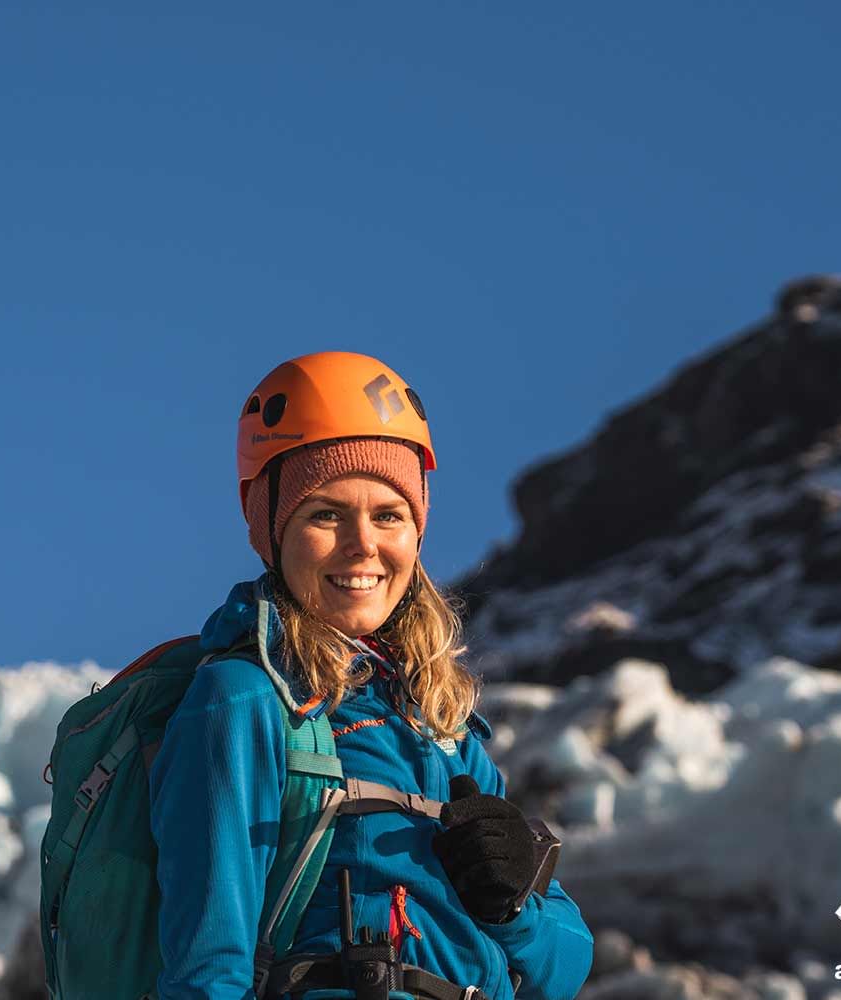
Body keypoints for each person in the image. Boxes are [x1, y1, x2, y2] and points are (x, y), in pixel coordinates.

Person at [148, 351, 593, 1000]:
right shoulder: (243, 702)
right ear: (270, 529)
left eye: (389, 515)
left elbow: (566, 967)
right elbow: (206, 973)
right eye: (325, 514)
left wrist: (513, 905)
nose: (363, 545)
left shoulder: (442, 726)